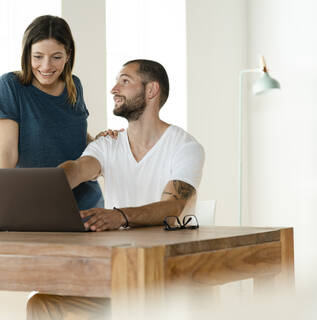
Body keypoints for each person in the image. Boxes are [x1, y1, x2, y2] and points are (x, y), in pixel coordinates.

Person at [26, 59, 205, 319]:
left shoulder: (185, 147)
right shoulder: (108, 144)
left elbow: (174, 207)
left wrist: (120, 216)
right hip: (116, 275)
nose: (113, 89)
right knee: (40, 303)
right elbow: (77, 169)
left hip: (164, 278)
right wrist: (38, 190)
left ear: (151, 90)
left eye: (125, 81)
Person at [0, 15, 117, 227]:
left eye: (56, 57)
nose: (46, 66)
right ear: (27, 54)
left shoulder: (74, 85)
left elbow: (74, 135)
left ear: (68, 55)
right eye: (37, 56)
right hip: (33, 207)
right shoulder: (10, 86)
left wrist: (100, 143)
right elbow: (7, 153)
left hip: (87, 208)